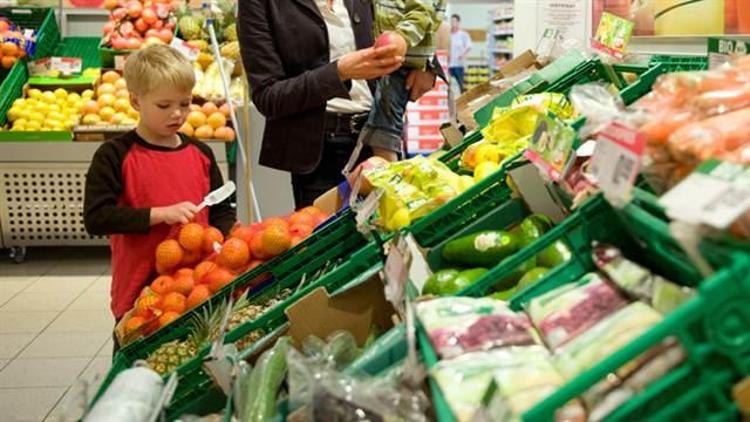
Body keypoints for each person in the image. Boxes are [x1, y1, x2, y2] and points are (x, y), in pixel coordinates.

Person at [83, 45, 236, 353]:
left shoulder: (201, 153)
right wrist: (158, 214)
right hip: (139, 289)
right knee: (136, 359)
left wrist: (223, 237)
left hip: (197, 284)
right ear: (135, 101)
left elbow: (221, 208)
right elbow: (96, 217)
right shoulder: (114, 155)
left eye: (185, 103)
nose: (177, 113)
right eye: (164, 105)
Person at [238, 0, 443, 208]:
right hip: (319, 156)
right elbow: (268, 96)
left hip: (377, 136)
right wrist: (339, 72)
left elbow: (404, 11)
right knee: (325, 235)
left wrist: (428, 64)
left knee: (391, 228)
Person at [353, 0, 447, 164]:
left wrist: (403, 40)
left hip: (399, 57)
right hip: (387, 56)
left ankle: (389, 170)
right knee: (386, 116)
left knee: (385, 120)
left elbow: (423, 14)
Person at [449, 14, 472, 93]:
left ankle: (462, 103)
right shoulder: (448, 34)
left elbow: (469, 46)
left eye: (454, 21)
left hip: (459, 64)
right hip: (449, 64)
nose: (453, 23)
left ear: (458, 22)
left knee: (461, 85)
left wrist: (463, 55)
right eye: (451, 21)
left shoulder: (463, 35)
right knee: (447, 85)